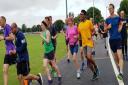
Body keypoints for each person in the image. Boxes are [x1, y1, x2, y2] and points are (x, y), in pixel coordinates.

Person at [78, 10, 99, 80]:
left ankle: (96, 66)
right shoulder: (79, 24)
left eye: (81, 14)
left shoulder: (89, 22)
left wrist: (91, 35)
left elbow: (94, 31)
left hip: (89, 42)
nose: (80, 15)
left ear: (85, 15)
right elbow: (79, 35)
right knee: (88, 62)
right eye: (80, 14)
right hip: (84, 44)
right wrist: (77, 39)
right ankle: (94, 73)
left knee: (89, 56)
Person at [104, 4, 124, 80]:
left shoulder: (118, 18)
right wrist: (107, 28)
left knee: (120, 56)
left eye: (111, 8)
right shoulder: (107, 19)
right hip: (111, 40)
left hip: (118, 39)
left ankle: (121, 73)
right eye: (108, 9)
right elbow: (104, 30)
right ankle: (119, 67)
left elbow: (120, 26)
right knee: (116, 58)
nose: (109, 10)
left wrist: (121, 27)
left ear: (113, 8)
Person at [40, 20, 62, 85]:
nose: (41, 26)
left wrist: (42, 37)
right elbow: (45, 41)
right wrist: (42, 41)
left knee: (54, 65)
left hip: (50, 51)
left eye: (41, 25)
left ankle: (59, 76)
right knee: (44, 65)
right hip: (46, 52)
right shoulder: (43, 32)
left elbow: (48, 41)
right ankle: (50, 79)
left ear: (44, 26)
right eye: (41, 25)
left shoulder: (47, 32)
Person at [0, 16, 17, 85]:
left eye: (0, 21)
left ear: (4, 21)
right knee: (5, 70)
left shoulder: (7, 27)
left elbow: (12, 37)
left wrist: (3, 38)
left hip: (12, 51)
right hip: (8, 52)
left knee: (20, 69)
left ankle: (30, 78)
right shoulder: (4, 29)